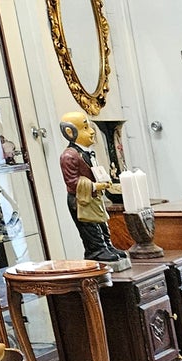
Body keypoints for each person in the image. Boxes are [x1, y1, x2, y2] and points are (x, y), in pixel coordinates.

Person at [58, 111, 127, 266]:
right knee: (90, 228)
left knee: (102, 224)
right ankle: (96, 251)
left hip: (94, 197)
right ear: (70, 132)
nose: (91, 131)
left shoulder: (86, 153)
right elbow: (72, 182)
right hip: (81, 200)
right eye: (85, 128)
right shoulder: (69, 156)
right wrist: (95, 185)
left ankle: (107, 246)